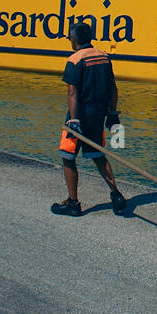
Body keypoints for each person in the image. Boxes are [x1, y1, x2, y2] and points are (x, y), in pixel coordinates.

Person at [51, 22, 128, 216]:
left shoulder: (75, 59)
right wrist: (112, 113)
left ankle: (73, 203)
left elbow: (72, 91)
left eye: (70, 38)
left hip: (80, 115)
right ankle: (116, 194)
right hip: (98, 115)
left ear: (74, 40)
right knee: (98, 156)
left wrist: (74, 120)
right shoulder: (103, 56)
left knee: (67, 157)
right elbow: (112, 87)